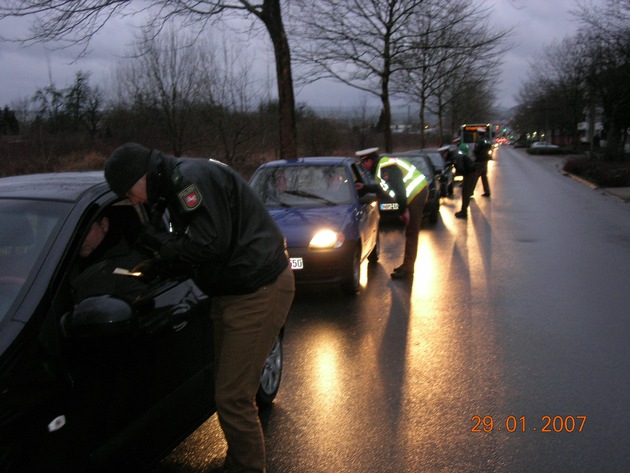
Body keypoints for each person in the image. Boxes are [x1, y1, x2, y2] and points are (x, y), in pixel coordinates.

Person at [104, 142, 295, 473]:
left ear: (139, 177)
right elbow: (203, 245)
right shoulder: (173, 185)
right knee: (227, 389)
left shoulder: (186, 181)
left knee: (233, 399)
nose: (133, 200)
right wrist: (163, 266)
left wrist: (161, 246)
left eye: (128, 192)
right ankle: (237, 463)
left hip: (257, 290)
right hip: (233, 290)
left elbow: (210, 243)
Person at [355, 147, 429, 280]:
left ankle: (408, 270)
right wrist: (365, 187)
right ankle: (407, 265)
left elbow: (399, 189)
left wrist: (403, 211)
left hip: (416, 193)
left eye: (363, 163)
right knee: (410, 232)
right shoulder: (381, 167)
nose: (362, 166)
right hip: (414, 194)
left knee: (412, 232)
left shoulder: (386, 167)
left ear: (369, 161)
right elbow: (384, 188)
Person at [70, 211, 149, 303]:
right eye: (74, 234)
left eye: (86, 231)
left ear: (104, 225)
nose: (80, 239)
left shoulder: (131, 265)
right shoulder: (62, 262)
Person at [439, 145, 476, 219]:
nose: (443, 157)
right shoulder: (454, 154)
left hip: (470, 173)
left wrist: (456, 175)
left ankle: (463, 212)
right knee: (466, 193)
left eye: (443, 154)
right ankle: (464, 211)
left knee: (465, 193)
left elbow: (460, 168)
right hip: (469, 171)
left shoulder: (455, 157)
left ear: (446, 153)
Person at [472, 128, 492, 198]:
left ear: (479, 134)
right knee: (484, 177)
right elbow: (489, 149)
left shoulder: (480, 141)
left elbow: (476, 150)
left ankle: (470, 192)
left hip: (480, 161)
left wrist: (474, 153)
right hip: (485, 160)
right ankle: (487, 191)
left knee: (475, 176)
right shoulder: (487, 141)